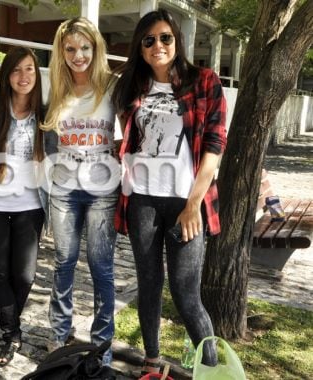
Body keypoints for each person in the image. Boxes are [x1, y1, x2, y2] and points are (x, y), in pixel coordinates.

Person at [110, 9, 226, 375]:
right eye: (149, 40)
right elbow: (125, 141)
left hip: (185, 202)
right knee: (148, 284)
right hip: (141, 199)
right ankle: (152, 362)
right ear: (140, 48)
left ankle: (211, 370)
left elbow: (214, 145)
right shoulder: (131, 87)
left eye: (165, 38)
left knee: (186, 293)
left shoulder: (204, 81)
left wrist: (193, 205)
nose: (157, 45)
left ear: (177, 40)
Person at [41, 17, 121, 364]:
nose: (78, 55)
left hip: (103, 187)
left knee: (101, 265)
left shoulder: (112, 87)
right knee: (64, 261)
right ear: (62, 51)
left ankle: (102, 342)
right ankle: (59, 335)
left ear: (96, 48)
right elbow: (46, 137)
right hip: (64, 187)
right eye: (71, 48)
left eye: (85, 47)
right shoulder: (54, 88)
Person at [0, 47, 48, 366]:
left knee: (26, 275)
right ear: (6, 75)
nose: (23, 76)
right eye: (16, 70)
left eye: (29, 69)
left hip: (31, 206)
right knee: (1, 271)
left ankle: (10, 328)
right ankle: (11, 334)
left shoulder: (46, 116)